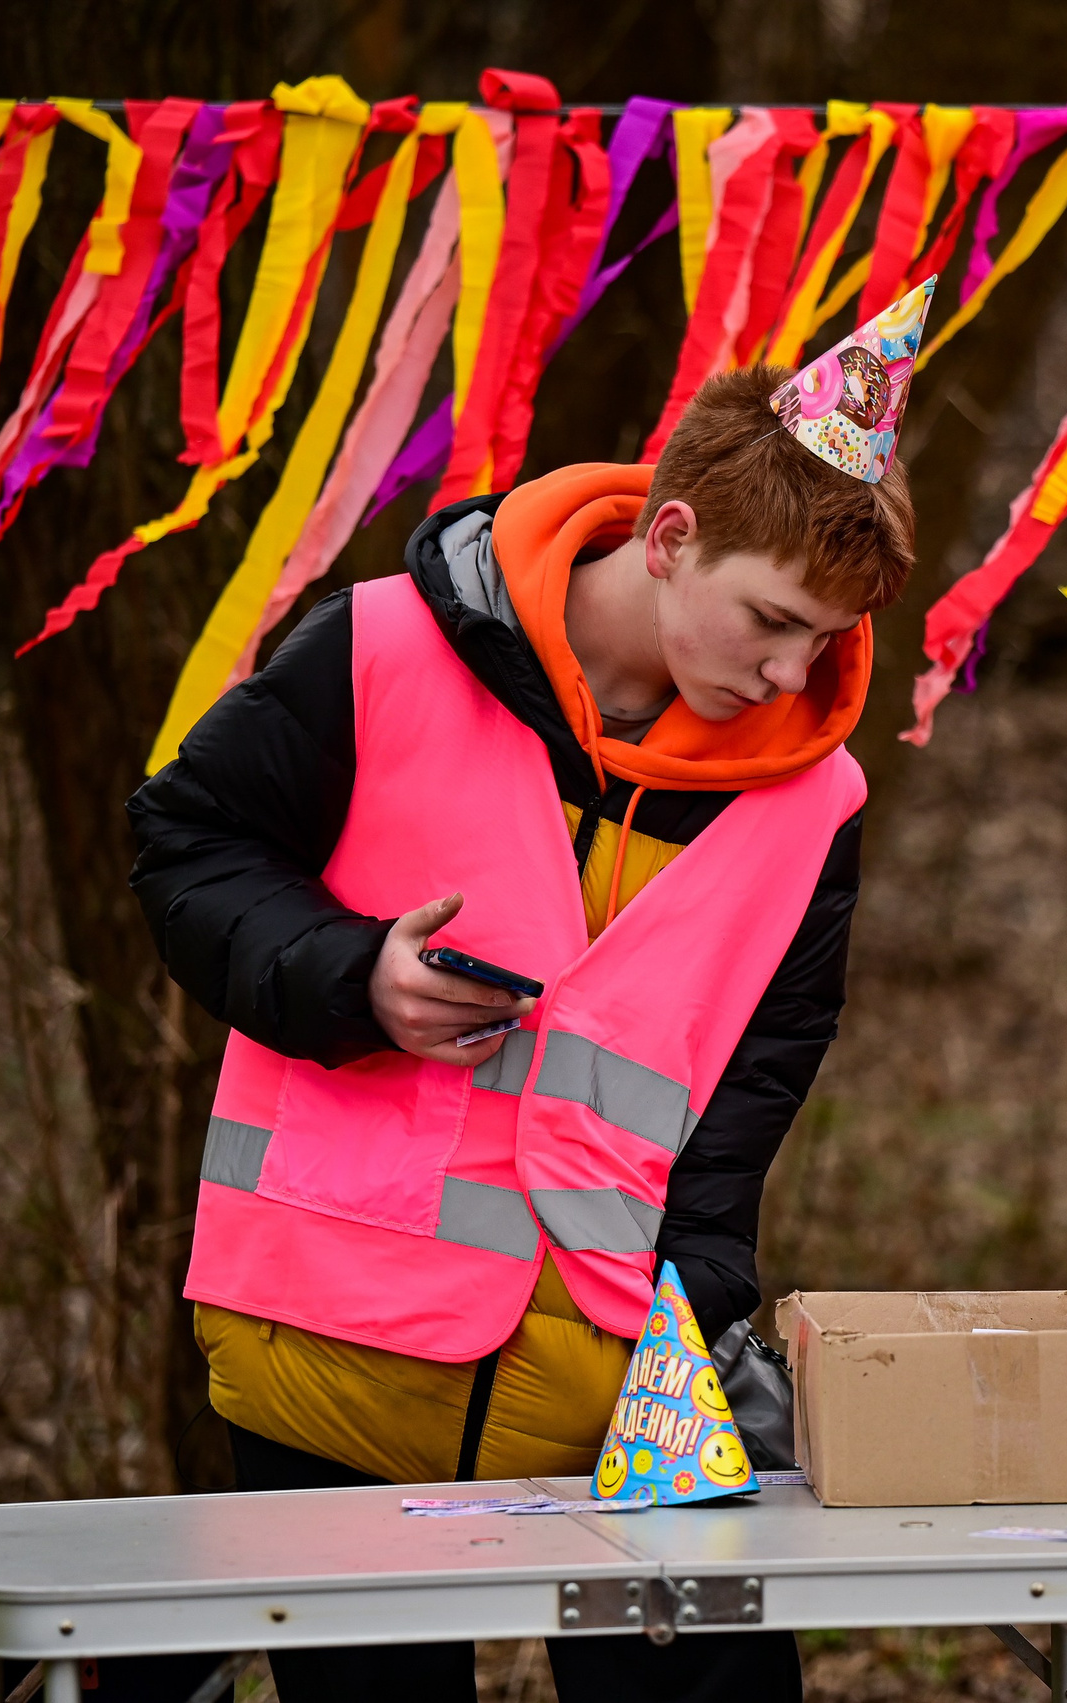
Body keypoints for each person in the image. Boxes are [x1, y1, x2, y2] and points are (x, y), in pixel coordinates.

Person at [127, 305, 923, 1699]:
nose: (793, 676)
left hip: (624, 1359)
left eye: (828, 639)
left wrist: (700, 1305)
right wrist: (350, 974)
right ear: (669, 537)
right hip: (331, 1338)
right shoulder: (378, 651)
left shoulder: (820, 796)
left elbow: (761, 1066)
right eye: (774, 622)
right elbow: (186, 846)